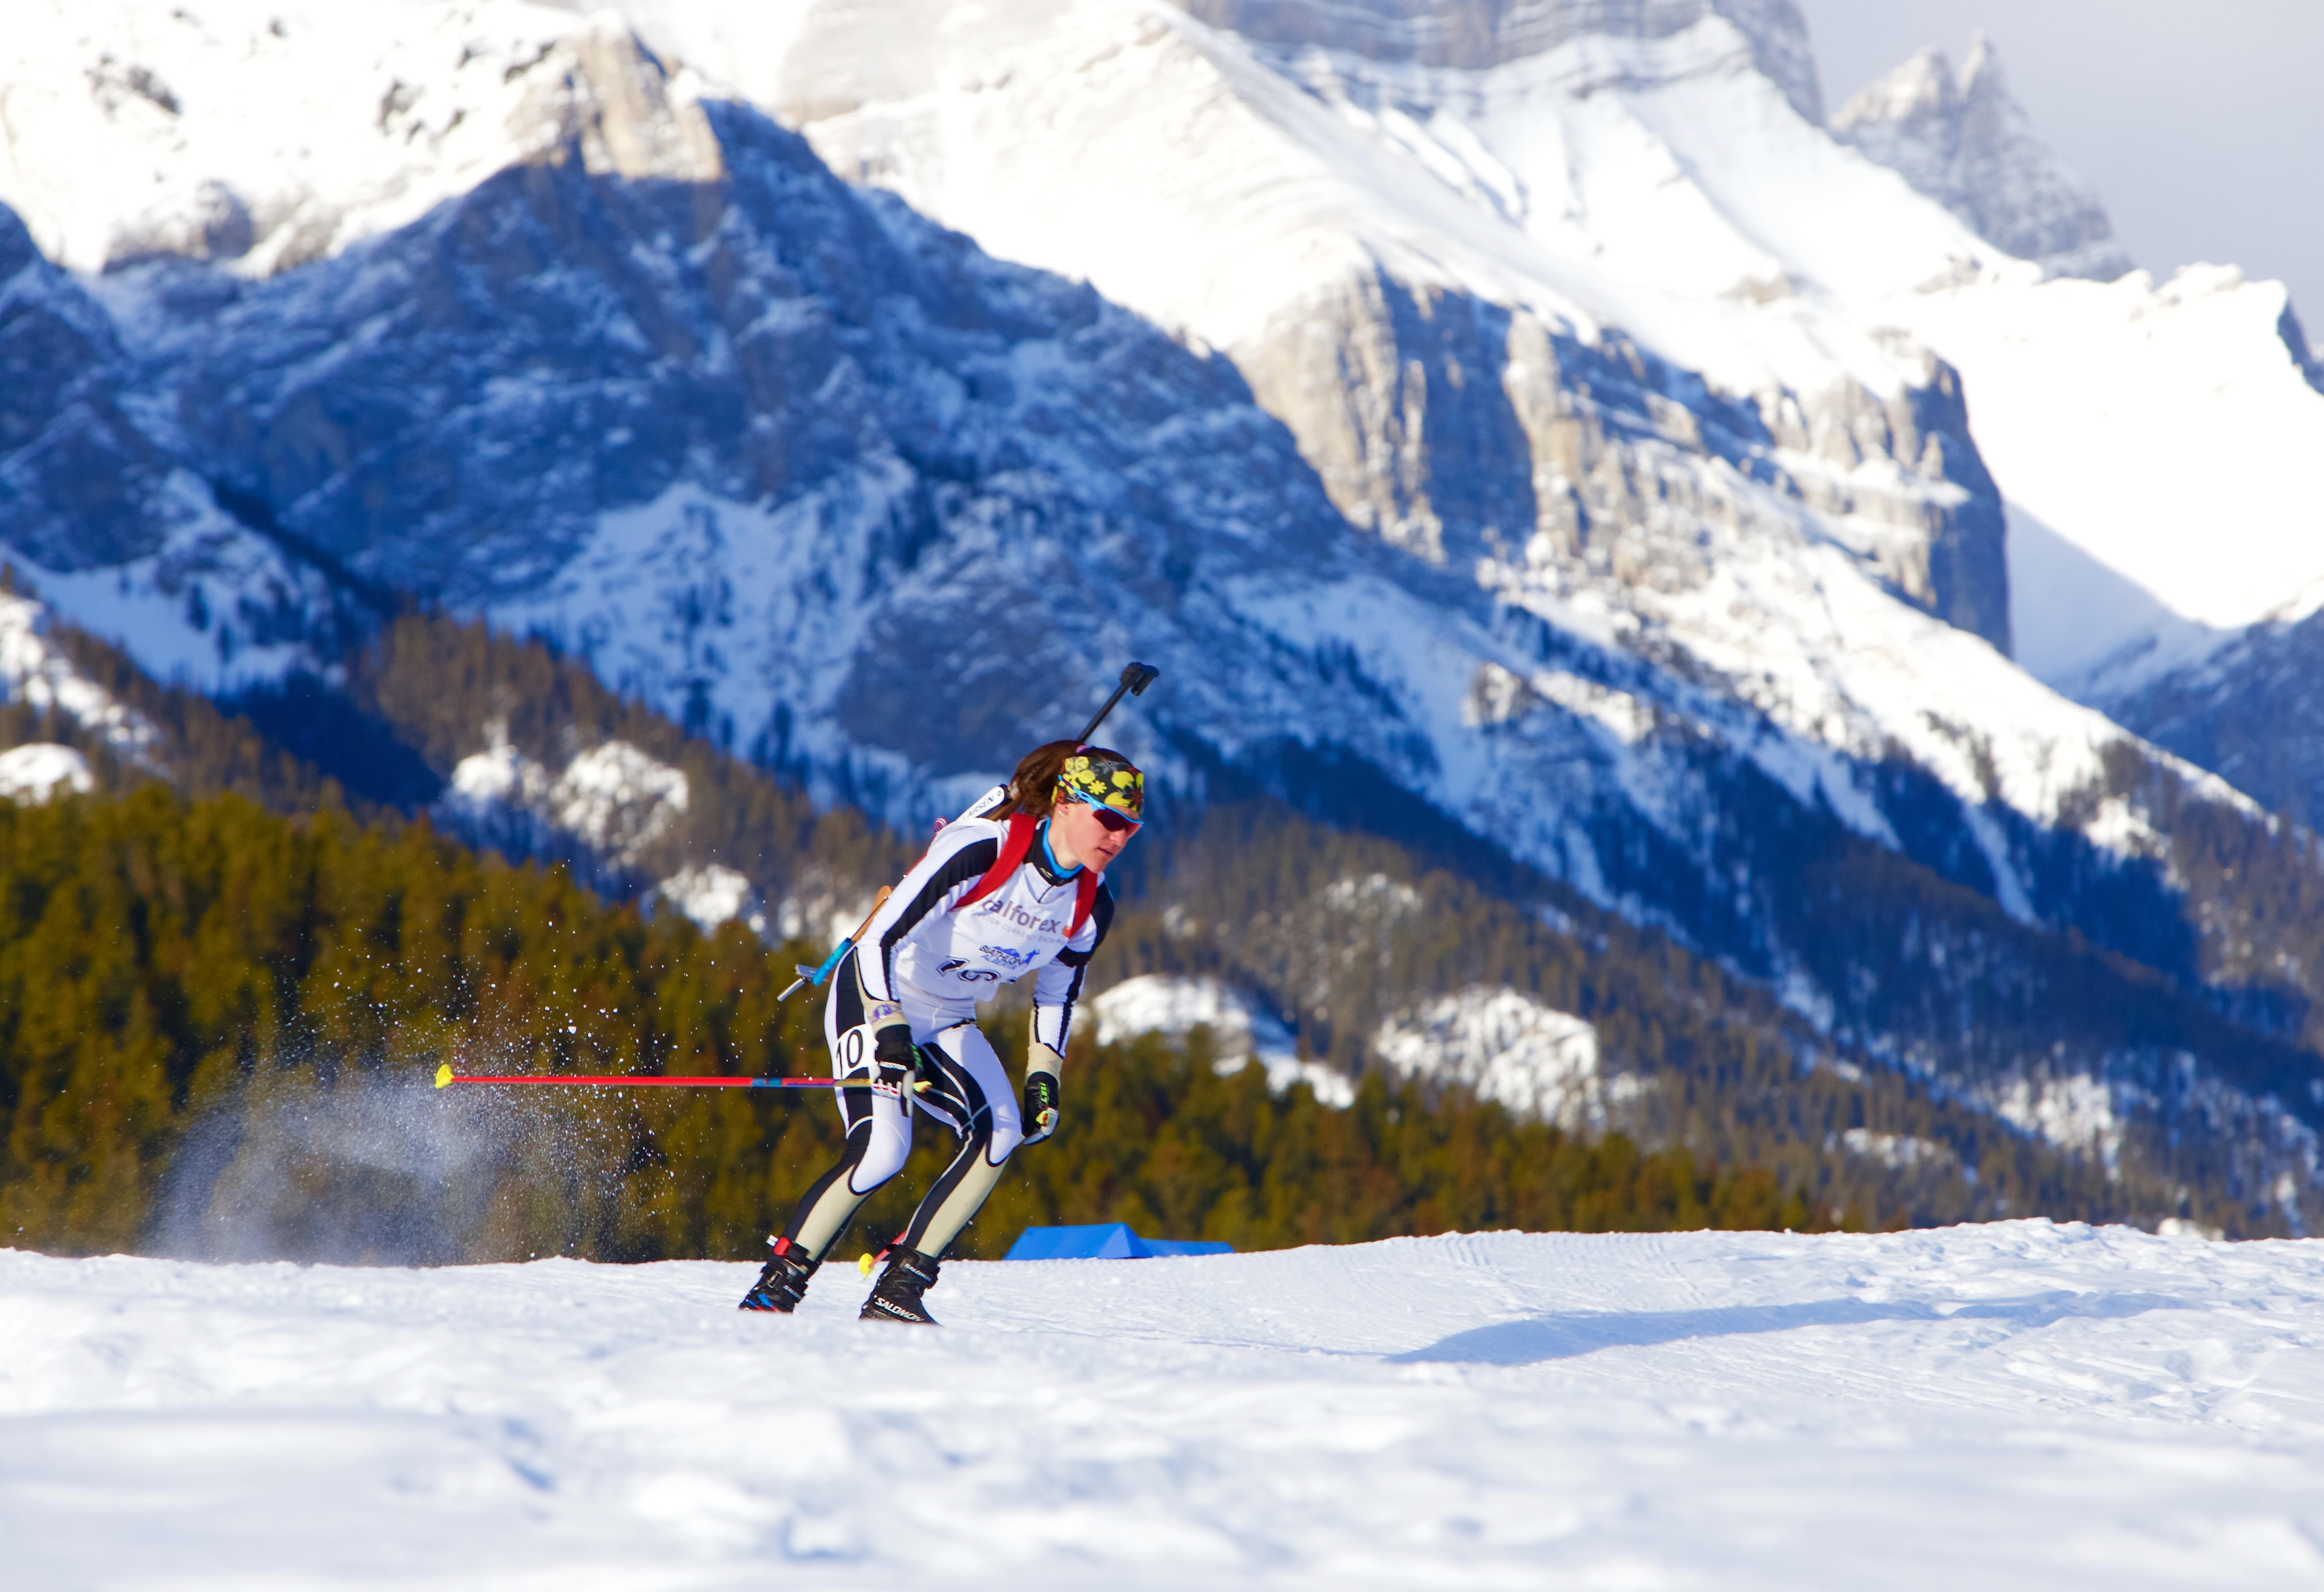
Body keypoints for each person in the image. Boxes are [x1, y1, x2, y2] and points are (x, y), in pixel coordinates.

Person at [738, 741, 1144, 1323]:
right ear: (1064, 804)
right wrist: (890, 1028)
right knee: (883, 1151)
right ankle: (774, 1292)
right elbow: (879, 941)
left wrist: (1043, 1078)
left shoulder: (1090, 904)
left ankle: (898, 1292)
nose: (1119, 837)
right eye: (1108, 820)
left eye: (1131, 828)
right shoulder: (982, 850)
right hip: (877, 992)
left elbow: (1057, 993)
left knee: (1001, 1134)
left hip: (949, 1014)